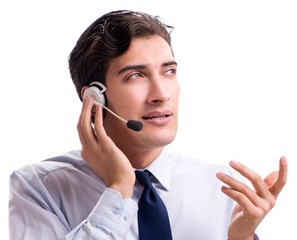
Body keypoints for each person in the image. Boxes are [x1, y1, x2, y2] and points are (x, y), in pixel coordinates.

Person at [9, 10, 288, 240]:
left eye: (169, 72)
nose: (161, 94)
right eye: (136, 76)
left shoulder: (222, 191)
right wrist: (118, 188)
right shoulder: (39, 188)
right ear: (95, 98)